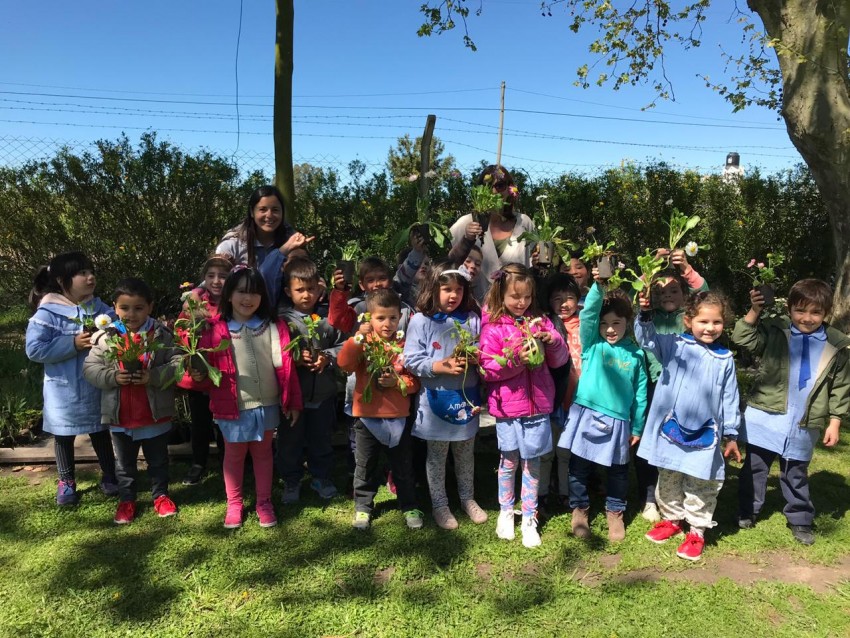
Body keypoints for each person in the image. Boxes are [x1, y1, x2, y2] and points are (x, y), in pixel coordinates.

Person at [182, 267, 302, 528]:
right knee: (234, 455)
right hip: (232, 406)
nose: (248, 298)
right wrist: (195, 372)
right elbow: (200, 369)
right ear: (229, 295)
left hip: (267, 403)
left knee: (263, 453)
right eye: (241, 292)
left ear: (263, 297)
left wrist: (292, 401)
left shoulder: (273, 326)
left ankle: (264, 502)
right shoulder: (215, 328)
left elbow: (286, 367)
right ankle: (234, 503)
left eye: (255, 292)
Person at [732, 279, 850, 546]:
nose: (807, 318)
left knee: (795, 472)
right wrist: (754, 310)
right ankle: (747, 510)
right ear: (790, 309)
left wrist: (834, 422)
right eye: (800, 311)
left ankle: (800, 519)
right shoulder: (777, 332)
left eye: (815, 312)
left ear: (826, 313)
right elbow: (742, 337)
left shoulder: (837, 346)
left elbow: (840, 387)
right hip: (767, 414)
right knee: (755, 468)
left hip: (803, 420)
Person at [635, 291, 741, 561]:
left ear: (723, 324)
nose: (710, 328)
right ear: (689, 320)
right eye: (703, 321)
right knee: (668, 476)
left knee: (701, 482)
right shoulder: (673, 345)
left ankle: (696, 530)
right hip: (671, 432)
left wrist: (731, 434)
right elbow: (646, 338)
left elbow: (730, 398)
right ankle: (672, 519)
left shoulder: (724, 359)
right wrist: (645, 314)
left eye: (716, 322)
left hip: (705, 434)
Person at [479, 263, 569, 547]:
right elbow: (488, 368)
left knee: (533, 463)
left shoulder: (540, 322)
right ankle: (506, 511)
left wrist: (552, 340)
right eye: (515, 297)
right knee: (508, 461)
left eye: (527, 297)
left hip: (538, 405)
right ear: (500, 294)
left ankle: (529, 515)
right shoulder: (493, 327)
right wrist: (517, 359)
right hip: (508, 408)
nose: (522, 303)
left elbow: (560, 360)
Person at [83, 278, 183, 525]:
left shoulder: (161, 334)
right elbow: (90, 368)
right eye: (124, 308)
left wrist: (154, 377)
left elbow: (178, 363)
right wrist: (113, 377)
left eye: (138, 308)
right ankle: (127, 500)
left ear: (150, 307)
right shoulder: (107, 337)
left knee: (158, 461)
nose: (131, 314)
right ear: (114, 308)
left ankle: (160, 496)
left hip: (154, 414)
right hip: (121, 417)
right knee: (125, 465)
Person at [558, 270, 648, 543]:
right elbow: (587, 314)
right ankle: (580, 509)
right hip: (586, 413)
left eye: (617, 323)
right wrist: (598, 285)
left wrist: (638, 425)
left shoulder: (636, 354)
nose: (610, 329)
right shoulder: (592, 345)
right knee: (579, 467)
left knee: (618, 471)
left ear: (627, 323)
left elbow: (640, 393)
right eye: (605, 323)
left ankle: (615, 512)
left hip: (619, 420)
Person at [25, 251, 118, 505]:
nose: (90, 277)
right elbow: (34, 349)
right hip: (64, 390)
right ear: (61, 280)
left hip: (95, 385)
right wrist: (72, 343)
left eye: (91, 272)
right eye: (82, 273)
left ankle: (110, 476)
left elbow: (120, 327)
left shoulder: (99, 308)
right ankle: (66, 481)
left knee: (100, 430)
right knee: (64, 435)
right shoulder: (48, 313)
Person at [403, 260, 487, 530]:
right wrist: (439, 365)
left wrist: (477, 358)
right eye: (447, 289)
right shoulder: (421, 321)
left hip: (466, 398)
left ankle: (467, 498)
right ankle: (440, 504)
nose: (453, 295)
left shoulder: (473, 320)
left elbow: (483, 351)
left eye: (459, 290)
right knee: (436, 455)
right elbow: (411, 359)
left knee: (465, 452)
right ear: (433, 289)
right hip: (435, 399)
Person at [337, 288, 423, 530]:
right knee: (365, 466)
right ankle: (363, 507)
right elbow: (344, 364)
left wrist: (398, 383)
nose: (387, 323)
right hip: (366, 417)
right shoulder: (364, 343)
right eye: (380, 318)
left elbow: (415, 381)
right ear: (369, 318)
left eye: (393, 318)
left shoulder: (405, 344)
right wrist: (356, 339)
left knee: (403, 467)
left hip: (398, 416)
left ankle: (409, 505)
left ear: (400, 317)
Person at [636, 253, 710, 522]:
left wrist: (686, 267)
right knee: (648, 442)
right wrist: (651, 265)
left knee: (677, 441)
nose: (667, 295)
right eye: (660, 291)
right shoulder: (646, 317)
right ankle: (648, 497)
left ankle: (675, 496)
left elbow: (705, 293)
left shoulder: (690, 318)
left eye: (674, 290)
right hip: (653, 388)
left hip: (685, 390)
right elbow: (637, 291)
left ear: (684, 295)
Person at [277, 257, 345, 504]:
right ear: (288, 291)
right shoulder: (282, 321)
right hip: (293, 396)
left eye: (311, 289)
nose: (306, 295)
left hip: (324, 394)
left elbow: (344, 344)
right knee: (289, 441)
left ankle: (321, 477)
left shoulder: (329, 319)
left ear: (319, 288)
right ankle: (291, 480)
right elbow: (274, 353)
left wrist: (327, 357)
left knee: (321, 439)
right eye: (299, 290)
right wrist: (295, 358)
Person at [180, 254, 233, 486]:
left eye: (223, 276)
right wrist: (190, 360)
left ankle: (227, 462)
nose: (217, 281)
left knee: (224, 422)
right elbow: (181, 332)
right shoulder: (193, 304)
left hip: (224, 374)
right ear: (203, 279)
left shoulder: (235, 303)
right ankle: (198, 463)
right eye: (211, 276)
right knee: (200, 423)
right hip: (200, 375)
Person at [215, 185, 313, 307]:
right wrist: (197, 291)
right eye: (263, 209)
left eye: (275, 210)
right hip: (240, 311)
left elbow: (304, 275)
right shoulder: (233, 244)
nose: (269, 215)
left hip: (282, 312)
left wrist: (319, 283)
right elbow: (214, 277)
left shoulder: (292, 240)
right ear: (252, 212)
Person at [449, 165, 535, 301]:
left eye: (500, 185)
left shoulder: (524, 223)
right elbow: (448, 263)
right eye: (487, 186)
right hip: (474, 309)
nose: (494, 191)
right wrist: (467, 239)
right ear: (479, 191)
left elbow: (533, 266)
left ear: (510, 188)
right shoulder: (466, 223)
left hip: (516, 308)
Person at [538, 273, 581, 510]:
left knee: (566, 451)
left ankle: (566, 494)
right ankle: (542, 493)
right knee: (546, 451)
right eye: (557, 298)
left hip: (576, 399)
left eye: (570, 297)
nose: (564, 303)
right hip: (551, 398)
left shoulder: (586, 324)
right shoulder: (545, 325)